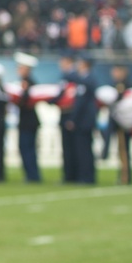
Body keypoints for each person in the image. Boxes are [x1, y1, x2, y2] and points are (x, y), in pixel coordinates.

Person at [70, 54, 99, 185]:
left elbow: (80, 103)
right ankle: (88, 175)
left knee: (83, 150)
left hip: (84, 121)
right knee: (86, 149)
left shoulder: (85, 80)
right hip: (88, 120)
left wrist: (73, 119)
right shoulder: (90, 79)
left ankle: (86, 176)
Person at [14, 53, 42, 182]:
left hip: (28, 121)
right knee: (26, 148)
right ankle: (31, 174)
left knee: (27, 148)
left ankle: (32, 175)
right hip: (26, 121)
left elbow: (25, 102)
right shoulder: (26, 82)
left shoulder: (28, 83)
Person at [57, 55, 77, 183]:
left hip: (70, 116)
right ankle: (69, 174)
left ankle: (71, 175)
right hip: (66, 115)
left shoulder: (72, 77)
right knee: (68, 148)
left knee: (71, 148)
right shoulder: (67, 77)